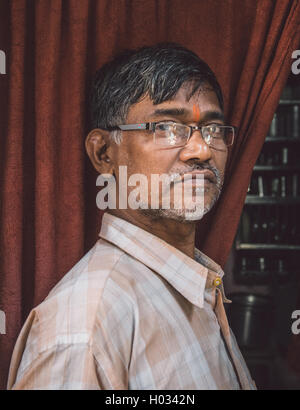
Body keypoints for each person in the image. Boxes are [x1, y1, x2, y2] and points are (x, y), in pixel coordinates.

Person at [7, 43, 256, 390]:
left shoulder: (197, 285)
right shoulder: (84, 329)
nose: (201, 150)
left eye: (213, 129)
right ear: (104, 153)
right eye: (168, 127)